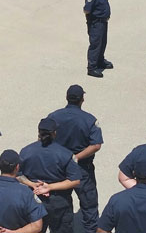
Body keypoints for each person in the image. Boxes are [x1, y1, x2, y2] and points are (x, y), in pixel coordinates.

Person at [46, 84, 102, 233]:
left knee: (61, 203)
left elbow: (45, 139)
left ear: (66, 98)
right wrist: (75, 158)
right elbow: (96, 145)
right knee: (88, 204)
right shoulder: (89, 120)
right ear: (82, 100)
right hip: (81, 168)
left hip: (58, 168)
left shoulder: (53, 116)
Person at [18, 118, 81, 233]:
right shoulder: (65, 154)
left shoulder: (26, 151)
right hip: (59, 202)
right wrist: (49, 187)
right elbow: (75, 180)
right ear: (54, 133)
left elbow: (17, 175)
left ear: (38, 132)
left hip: (33, 199)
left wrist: (32, 184)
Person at [84, 0, 111, 78]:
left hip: (103, 22)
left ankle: (100, 61)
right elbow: (87, 9)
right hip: (96, 24)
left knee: (103, 43)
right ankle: (91, 68)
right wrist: (94, 19)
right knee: (95, 45)